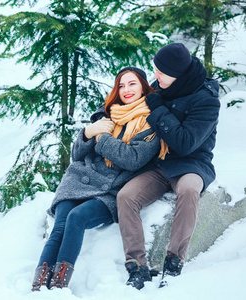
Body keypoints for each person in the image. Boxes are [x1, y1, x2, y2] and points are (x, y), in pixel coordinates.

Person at [31, 67, 169, 291]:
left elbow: (132, 159)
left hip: (109, 192)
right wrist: (87, 133)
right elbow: (77, 154)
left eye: (132, 84)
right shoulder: (108, 113)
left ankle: (58, 285)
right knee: (60, 226)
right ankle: (38, 285)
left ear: (144, 86)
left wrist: (101, 137)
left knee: (77, 217)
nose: (126, 90)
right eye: (121, 85)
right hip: (78, 182)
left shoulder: (152, 122)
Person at [112, 43, 220, 289]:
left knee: (189, 190)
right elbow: (125, 102)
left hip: (192, 163)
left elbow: (185, 143)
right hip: (159, 164)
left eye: (161, 72)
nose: (155, 76)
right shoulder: (161, 86)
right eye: (155, 69)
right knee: (126, 196)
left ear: (178, 75)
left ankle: (173, 263)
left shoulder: (207, 101)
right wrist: (101, 117)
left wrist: (158, 110)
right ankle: (137, 266)